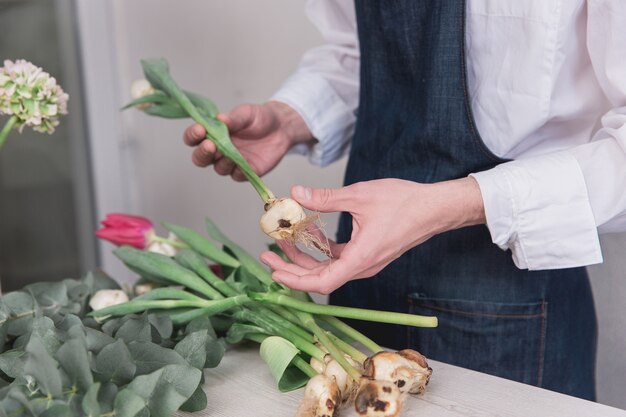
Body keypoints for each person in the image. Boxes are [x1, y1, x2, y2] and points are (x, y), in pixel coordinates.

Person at [183, 1, 626, 401]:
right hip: (359, 286)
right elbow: (364, 53)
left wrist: (457, 203)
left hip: (507, 308)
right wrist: (289, 118)